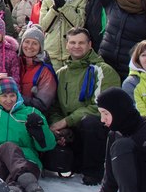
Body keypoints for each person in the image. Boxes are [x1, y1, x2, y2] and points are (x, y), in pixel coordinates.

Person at [47, 28, 117, 184]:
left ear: (90, 45)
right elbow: (55, 106)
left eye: (81, 43)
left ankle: (93, 172)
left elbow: (100, 107)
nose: (76, 46)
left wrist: (67, 121)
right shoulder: (62, 73)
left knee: (90, 122)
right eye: (72, 42)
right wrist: (59, 127)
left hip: (94, 131)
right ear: (67, 45)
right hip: (72, 131)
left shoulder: (103, 70)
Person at [38, 0, 87, 69]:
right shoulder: (47, 1)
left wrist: (64, 7)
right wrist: (55, 8)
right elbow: (44, 27)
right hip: (51, 53)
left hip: (72, 53)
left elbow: (79, 24)